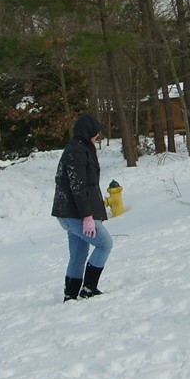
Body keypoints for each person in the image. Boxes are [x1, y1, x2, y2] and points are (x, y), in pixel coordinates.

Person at [51, 113, 113, 301]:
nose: (97, 136)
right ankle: (88, 288)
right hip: (74, 213)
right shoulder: (76, 152)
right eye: (95, 132)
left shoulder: (82, 148)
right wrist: (87, 216)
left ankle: (70, 295)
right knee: (105, 244)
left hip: (72, 213)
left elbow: (90, 186)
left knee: (78, 255)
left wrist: (95, 213)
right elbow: (77, 187)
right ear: (88, 132)